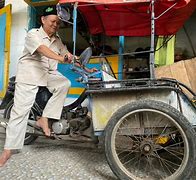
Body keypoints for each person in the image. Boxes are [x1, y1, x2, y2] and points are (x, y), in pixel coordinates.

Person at [0, 6, 96, 167]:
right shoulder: (33, 34)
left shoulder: (57, 39)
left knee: (64, 83)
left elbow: (70, 56)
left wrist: (86, 68)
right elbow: (43, 50)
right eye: (52, 21)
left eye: (58, 23)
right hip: (29, 75)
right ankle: (8, 150)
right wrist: (61, 58)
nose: (55, 25)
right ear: (43, 20)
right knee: (20, 112)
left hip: (47, 74)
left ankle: (45, 118)